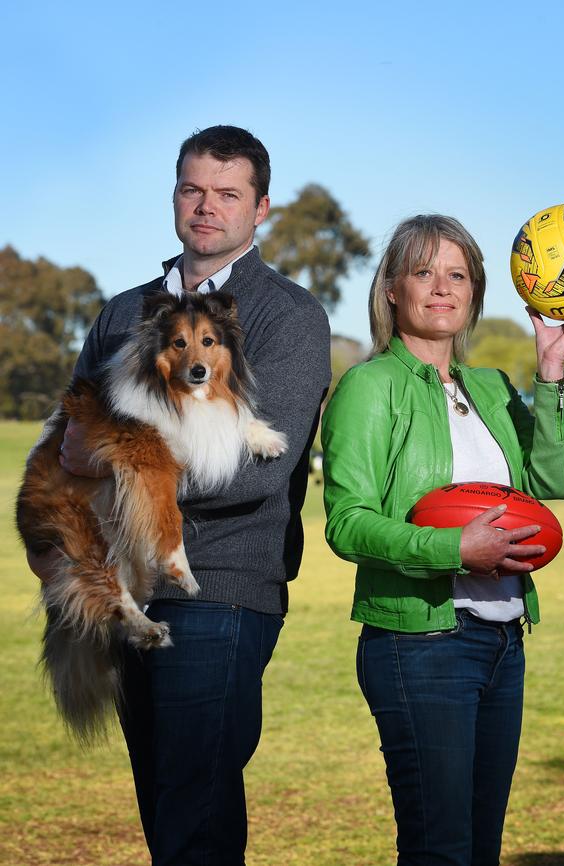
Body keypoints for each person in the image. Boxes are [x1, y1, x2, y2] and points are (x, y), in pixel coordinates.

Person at [26, 125, 331, 866]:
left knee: (195, 817)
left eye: (228, 194)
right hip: (121, 589)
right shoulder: (121, 309)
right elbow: (66, 431)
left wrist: (114, 463)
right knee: (165, 810)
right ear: (174, 196)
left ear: (260, 209)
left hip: (220, 591)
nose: (206, 207)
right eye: (193, 189)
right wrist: (49, 541)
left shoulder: (286, 316)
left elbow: (261, 470)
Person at [321, 214, 564, 866]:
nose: (442, 287)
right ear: (392, 288)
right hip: (420, 645)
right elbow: (347, 522)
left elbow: (552, 481)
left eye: (458, 274)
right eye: (423, 271)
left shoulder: (491, 387)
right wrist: (456, 552)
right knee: (441, 850)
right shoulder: (370, 388)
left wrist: (552, 372)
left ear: (476, 291)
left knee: (480, 848)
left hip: (503, 644)